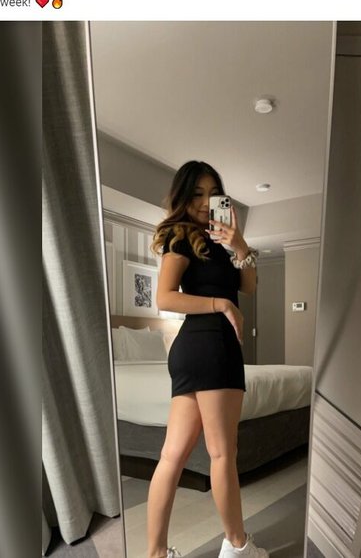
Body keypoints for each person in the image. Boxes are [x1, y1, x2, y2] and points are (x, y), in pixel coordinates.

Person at [148, 161, 268, 558]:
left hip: (193, 352)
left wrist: (240, 245)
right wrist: (220, 304)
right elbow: (164, 297)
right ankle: (239, 547)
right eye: (197, 193)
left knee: (172, 455)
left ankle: (156, 553)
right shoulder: (181, 238)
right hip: (213, 347)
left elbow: (248, 286)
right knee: (221, 453)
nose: (204, 202)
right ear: (183, 196)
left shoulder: (217, 243)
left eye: (213, 193)